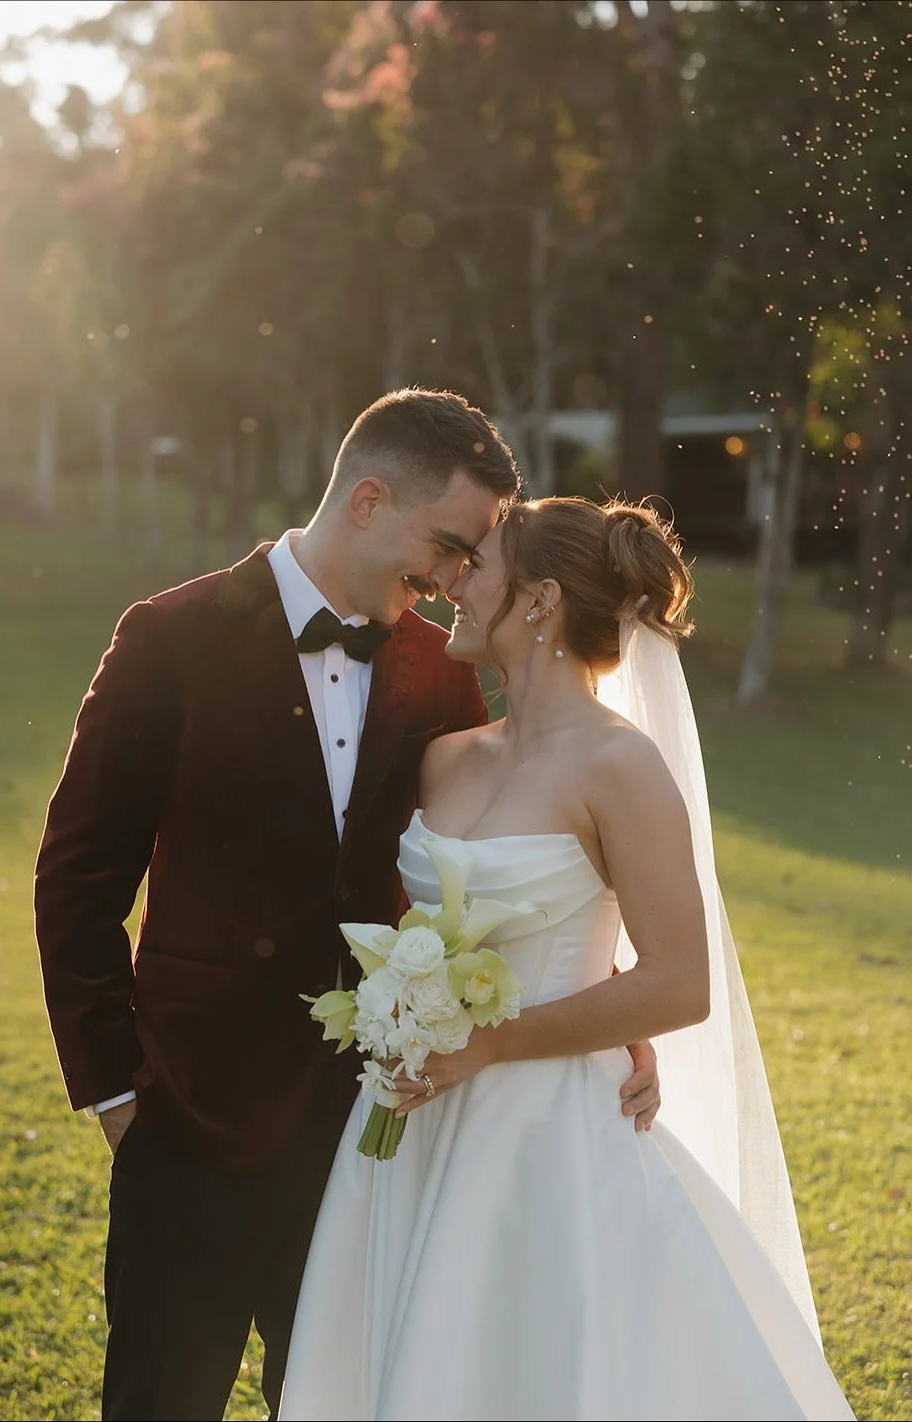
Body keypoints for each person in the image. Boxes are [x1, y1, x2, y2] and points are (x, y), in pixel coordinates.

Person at [33, 390, 661, 1422]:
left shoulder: (439, 667)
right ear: (368, 499)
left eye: (471, 561)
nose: (457, 579)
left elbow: (502, 851)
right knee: (159, 1399)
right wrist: (116, 1095)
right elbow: (76, 880)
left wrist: (607, 1011)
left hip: (369, 1141)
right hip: (187, 1119)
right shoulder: (168, 637)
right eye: (449, 546)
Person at [279, 497, 854, 1422]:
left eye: (480, 566)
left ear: (540, 600)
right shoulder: (445, 759)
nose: (452, 581)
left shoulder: (620, 769)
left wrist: (494, 1044)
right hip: (407, 1121)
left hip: (541, 1134)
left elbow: (679, 980)